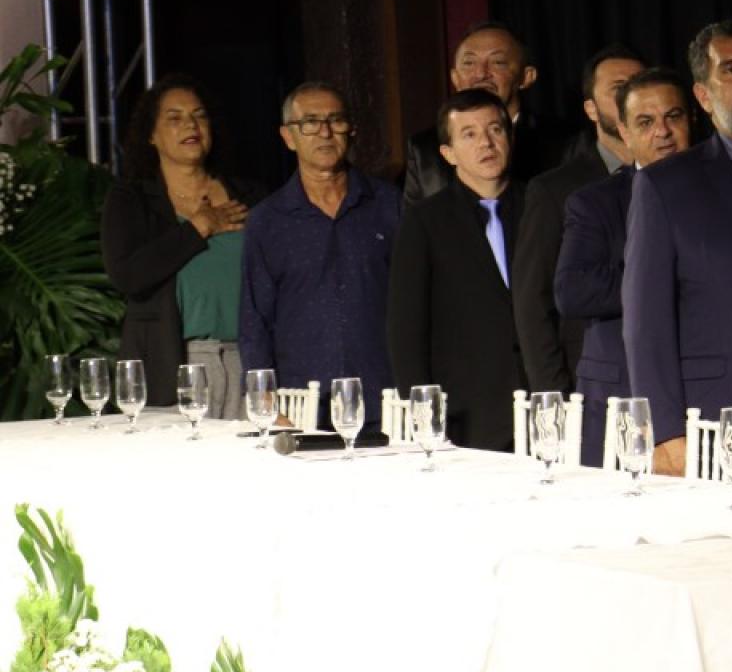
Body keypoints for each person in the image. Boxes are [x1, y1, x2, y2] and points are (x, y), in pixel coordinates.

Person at [622, 21, 732, 481]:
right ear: (702, 96)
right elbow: (646, 323)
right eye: (731, 69)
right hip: (722, 426)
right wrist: (665, 432)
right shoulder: (665, 185)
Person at [238, 81, 403, 420]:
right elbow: (255, 319)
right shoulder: (267, 221)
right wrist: (263, 398)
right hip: (301, 405)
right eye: (310, 123)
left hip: (386, 398)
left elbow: (417, 302)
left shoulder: (390, 205)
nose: (325, 133)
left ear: (352, 130)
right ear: (288, 136)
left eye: (335, 120)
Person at [555, 69, 694, 466]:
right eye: (646, 122)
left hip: (706, 387)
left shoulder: (725, 192)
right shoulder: (595, 202)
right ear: (624, 133)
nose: (663, 132)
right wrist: (663, 280)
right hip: (621, 396)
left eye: (673, 117)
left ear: (693, 119)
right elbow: (572, 290)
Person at [101, 75, 263, 415]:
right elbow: (128, 275)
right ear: (151, 135)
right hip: (172, 364)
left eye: (199, 115)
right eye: (174, 118)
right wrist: (198, 228)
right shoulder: (132, 199)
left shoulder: (249, 196)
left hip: (248, 361)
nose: (191, 125)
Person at [387, 89, 526, 450]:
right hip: (466, 411)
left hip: (543, 403)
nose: (486, 143)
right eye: (469, 134)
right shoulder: (425, 221)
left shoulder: (542, 206)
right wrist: (423, 414)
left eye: (495, 130)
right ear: (448, 153)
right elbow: (406, 328)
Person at [512, 45, 648, 394]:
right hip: (586, 384)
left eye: (640, 85)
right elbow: (533, 303)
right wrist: (553, 396)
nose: (631, 97)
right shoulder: (554, 189)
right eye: (619, 88)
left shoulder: (681, 176)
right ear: (590, 108)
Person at [402, 22, 568, 206]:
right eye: (469, 63)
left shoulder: (565, 142)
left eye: (498, 63)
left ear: (526, 76)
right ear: (455, 78)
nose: (481, 74)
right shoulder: (425, 149)